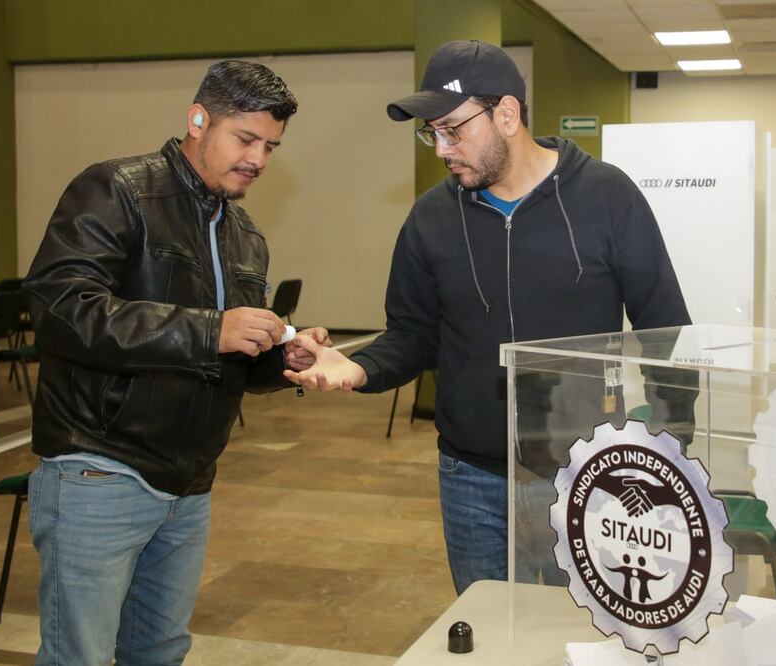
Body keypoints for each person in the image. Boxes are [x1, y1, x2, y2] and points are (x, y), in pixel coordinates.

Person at [286, 40, 693, 595]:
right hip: (469, 476)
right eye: (431, 132)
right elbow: (412, 334)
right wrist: (359, 369)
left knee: (572, 640)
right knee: (487, 639)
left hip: (585, 476)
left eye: (453, 129)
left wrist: (673, 452)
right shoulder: (430, 218)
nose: (440, 149)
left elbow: (666, 331)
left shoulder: (606, 197)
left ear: (507, 114)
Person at [22, 60, 325, 665]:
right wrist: (210, 329)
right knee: (78, 655)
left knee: (159, 652)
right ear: (197, 120)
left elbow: (229, 353)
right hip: (99, 471)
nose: (259, 160)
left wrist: (280, 358)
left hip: (189, 484)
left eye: (270, 146)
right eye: (245, 139)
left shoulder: (244, 233)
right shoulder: (117, 189)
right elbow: (59, 308)